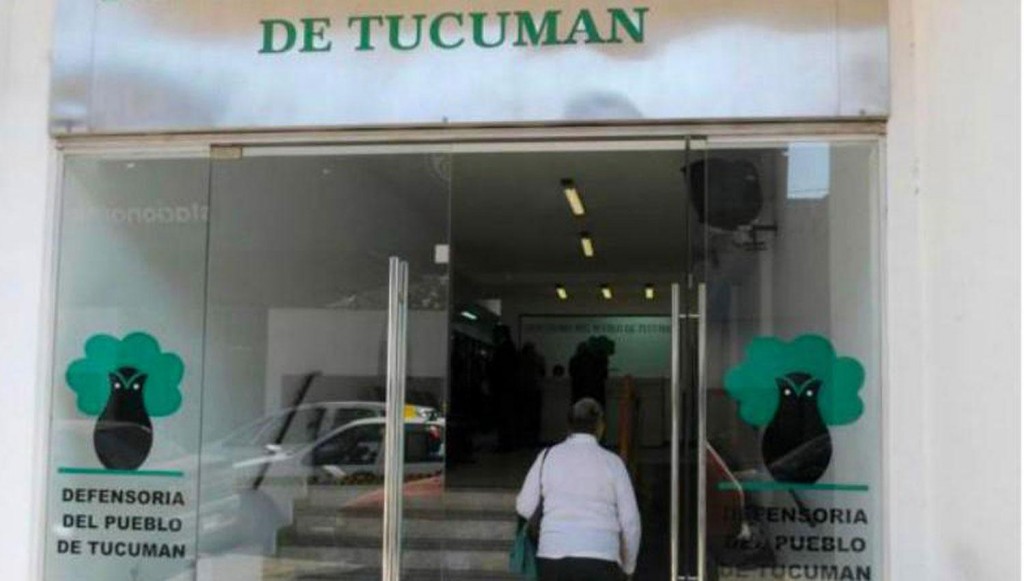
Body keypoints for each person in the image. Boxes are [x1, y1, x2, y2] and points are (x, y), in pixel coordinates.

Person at [515, 398, 641, 581]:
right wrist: (629, 567)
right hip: (601, 558)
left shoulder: (547, 456)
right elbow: (630, 522)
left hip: (552, 557)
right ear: (600, 427)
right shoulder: (613, 463)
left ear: (569, 426)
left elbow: (524, 506)